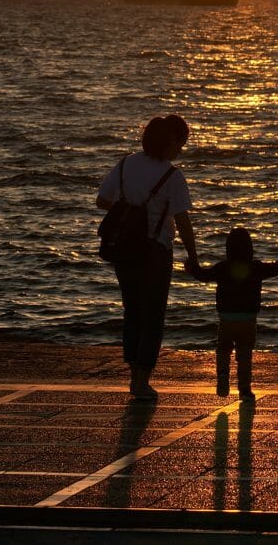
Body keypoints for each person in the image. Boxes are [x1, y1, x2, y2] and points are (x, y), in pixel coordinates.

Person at [96, 115, 199, 399]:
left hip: (124, 248)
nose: (181, 149)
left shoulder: (126, 164)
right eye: (181, 142)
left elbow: (102, 200)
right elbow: (182, 219)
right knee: (153, 315)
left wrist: (129, 209)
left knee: (132, 311)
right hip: (155, 251)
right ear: (172, 141)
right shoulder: (172, 175)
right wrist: (193, 256)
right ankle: (143, 379)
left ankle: (134, 376)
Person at [186, 227, 278, 402]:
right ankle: (245, 389)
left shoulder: (222, 267)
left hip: (226, 319)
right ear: (250, 248)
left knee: (223, 350)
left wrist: (191, 268)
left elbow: (203, 276)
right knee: (245, 354)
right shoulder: (256, 268)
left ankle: (223, 375)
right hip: (248, 320)